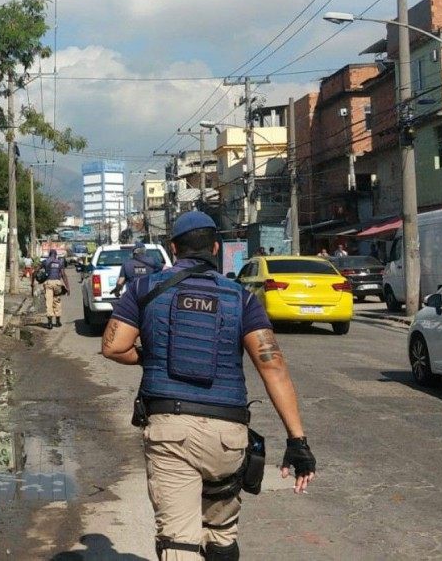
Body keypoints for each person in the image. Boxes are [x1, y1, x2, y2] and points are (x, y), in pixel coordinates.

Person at [101, 212, 316, 560]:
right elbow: (272, 364)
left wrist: (150, 355)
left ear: (174, 249)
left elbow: (113, 346)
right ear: (215, 248)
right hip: (228, 435)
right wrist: (297, 440)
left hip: (171, 432)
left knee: (179, 541)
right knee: (220, 535)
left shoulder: (144, 288)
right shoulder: (240, 297)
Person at [39, 249, 69, 328]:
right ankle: (58, 322)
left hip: (48, 283)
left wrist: (34, 280)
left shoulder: (45, 262)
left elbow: (36, 270)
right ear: (56, 255)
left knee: (49, 302)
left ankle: (49, 323)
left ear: (49, 255)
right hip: (57, 284)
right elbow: (63, 275)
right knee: (57, 301)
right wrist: (68, 288)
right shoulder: (60, 262)